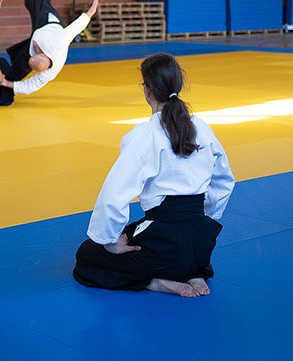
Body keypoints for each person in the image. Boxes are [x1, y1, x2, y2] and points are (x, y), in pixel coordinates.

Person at [73, 53, 235, 297]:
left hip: (166, 247)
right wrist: (204, 220)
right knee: (146, 233)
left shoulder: (145, 134)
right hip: (201, 245)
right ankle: (192, 271)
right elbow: (224, 181)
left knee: (86, 255)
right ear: (179, 86)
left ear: (147, 90)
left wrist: (110, 243)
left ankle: (154, 282)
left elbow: (113, 196)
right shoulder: (201, 127)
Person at [0, 0, 98, 96]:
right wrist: (89, 13)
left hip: (39, 33)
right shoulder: (57, 44)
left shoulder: (49, 73)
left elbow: (30, 87)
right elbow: (74, 29)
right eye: (36, 52)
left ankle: (5, 88)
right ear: (43, 55)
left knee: (19, 67)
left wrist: (5, 83)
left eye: (34, 53)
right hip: (49, 24)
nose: (34, 52)